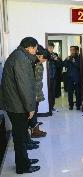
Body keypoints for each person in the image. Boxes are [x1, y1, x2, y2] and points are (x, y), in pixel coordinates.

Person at [0, 37, 40, 174]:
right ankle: (23, 166)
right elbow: (25, 86)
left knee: (20, 135)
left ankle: (24, 161)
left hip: (14, 103)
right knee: (20, 138)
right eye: (35, 48)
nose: (35, 51)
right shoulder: (21, 59)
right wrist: (30, 108)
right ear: (29, 47)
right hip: (17, 106)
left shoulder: (18, 55)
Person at [28, 45, 48, 138]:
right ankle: (34, 131)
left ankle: (35, 127)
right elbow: (31, 81)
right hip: (33, 92)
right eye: (44, 59)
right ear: (39, 56)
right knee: (33, 111)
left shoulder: (38, 63)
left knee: (35, 110)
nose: (45, 61)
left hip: (37, 90)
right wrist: (34, 94)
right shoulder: (33, 64)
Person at [64, 46, 81, 110]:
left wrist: (74, 62)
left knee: (77, 92)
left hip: (77, 78)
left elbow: (79, 66)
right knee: (70, 93)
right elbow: (64, 65)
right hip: (69, 78)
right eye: (70, 50)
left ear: (76, 50)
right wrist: (67, 60)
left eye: (73, 50)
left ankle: (78, 105)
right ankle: (71, 105)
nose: (72, 51)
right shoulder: (68, 57)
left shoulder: (79, 58)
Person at [47, 42, 62, 112]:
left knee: (53, 93)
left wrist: (56, 60)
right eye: (49, 47)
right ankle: (48, 107)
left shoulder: (55, 55)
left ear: (53, 48)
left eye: (51, 47)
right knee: (48, 92)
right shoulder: (45, 54)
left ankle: (52, 106)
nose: (50, 49)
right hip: (47, 77)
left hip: (54, 77)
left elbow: (59, 65)